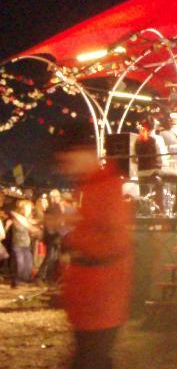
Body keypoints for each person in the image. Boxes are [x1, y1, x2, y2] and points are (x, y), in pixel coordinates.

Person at [58, 144, 133, 369]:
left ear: (83, 153)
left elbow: (112, 241)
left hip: (100, 295)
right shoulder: (88, 186)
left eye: (68, 160)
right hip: (90, 295)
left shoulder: (104, 186)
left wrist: (76, 240)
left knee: (91, 358)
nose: (65, 168)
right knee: (93, 357)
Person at [135, 116, 167, 211]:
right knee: (174, 177)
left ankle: (144, 206)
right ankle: (161, 207)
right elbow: (162, 158)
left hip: (140, 172)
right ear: (154, 126)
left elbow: (134, 159)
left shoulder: (137, 139)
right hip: (153, 171)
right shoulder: (157, 139)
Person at [9, 199, 40, 287]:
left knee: (29, 264)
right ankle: (15, 281)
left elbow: (33, 226)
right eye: (28, 208)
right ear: (23, 209)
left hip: (26, 245)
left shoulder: (26, 219)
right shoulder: (17, 219)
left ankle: (23, 279)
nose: (30, 210)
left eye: (30, 208)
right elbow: (26, 226)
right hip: (18, 245)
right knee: (20, 263)